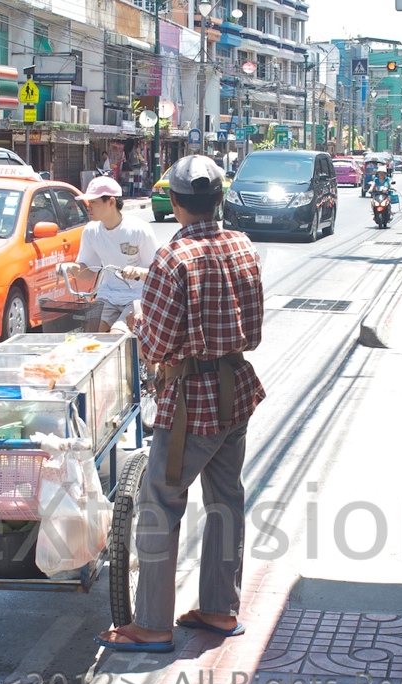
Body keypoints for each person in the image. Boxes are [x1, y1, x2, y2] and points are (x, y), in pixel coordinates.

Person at [95, 154, 265, 653]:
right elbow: (252, 331)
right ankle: (218, 607)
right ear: (219, 198)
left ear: (175, 201)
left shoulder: (172, 258)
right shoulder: (242, 245)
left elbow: (160, 346)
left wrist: (140, 318)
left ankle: (152, 623)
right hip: (235, 391)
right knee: (225, 499)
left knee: (159, 504)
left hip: (191, 402)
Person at [67, 176, 159, 332]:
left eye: (94, 202)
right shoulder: (91, 231)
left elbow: (158, 274)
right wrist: (69, 268)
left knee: (117, 334)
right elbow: (88, 272)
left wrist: (139, 272)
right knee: (90, 331)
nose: (88, 207)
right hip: (107, 295)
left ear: (111, 202)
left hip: (137, 296)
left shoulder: (139, 230)